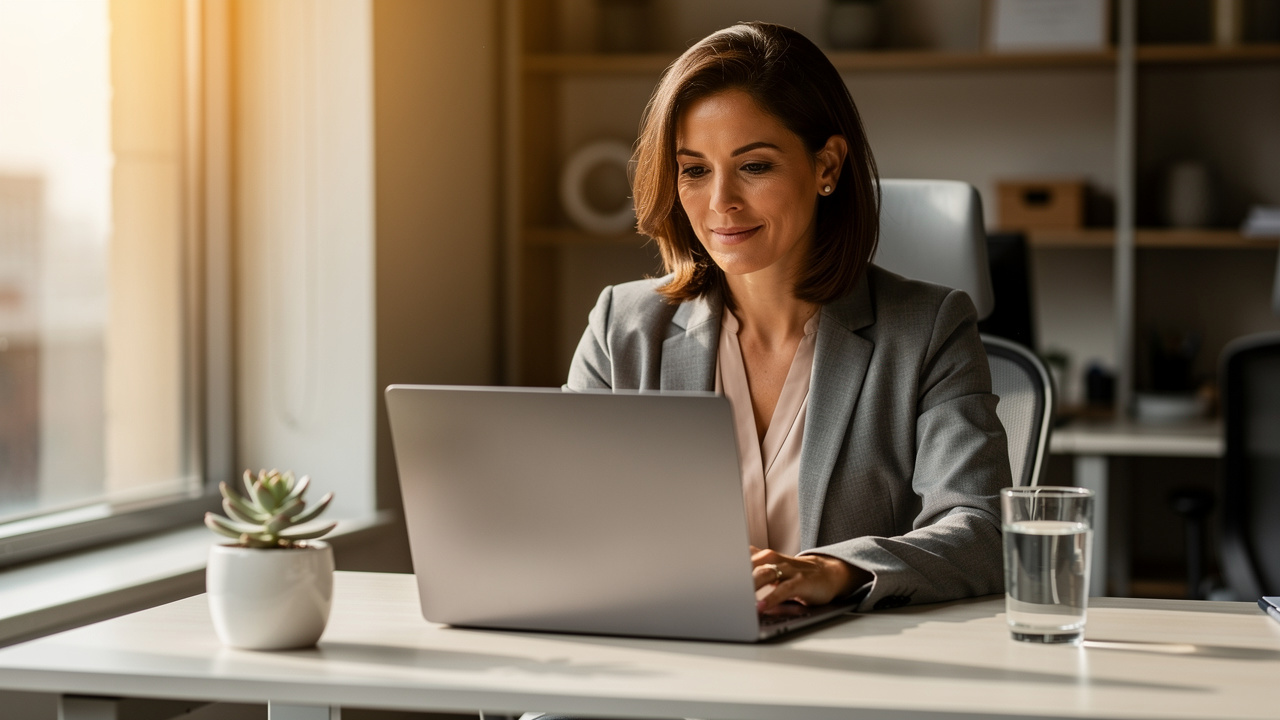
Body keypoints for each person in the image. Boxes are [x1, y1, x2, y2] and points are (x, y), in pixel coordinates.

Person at [566, 22, 1010, 615]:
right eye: (694, 169)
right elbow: (563, 519)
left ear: (826, 165)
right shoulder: (622, 326)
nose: (720, 200)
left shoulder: (928, 329)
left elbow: (982, 531)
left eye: (754, 166)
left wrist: (832, 571)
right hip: (663, 658)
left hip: (843, 675)